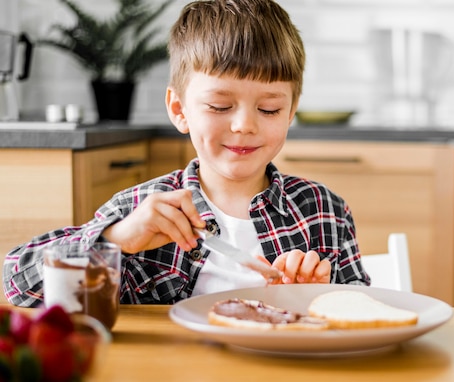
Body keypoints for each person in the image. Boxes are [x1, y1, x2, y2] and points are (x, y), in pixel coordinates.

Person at [3, 0, 369, 306]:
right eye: (219, 106)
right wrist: (115, 240)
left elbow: (361, 316)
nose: (244, 125)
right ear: (179, 110)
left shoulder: (325, 211)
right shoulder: (140, 210)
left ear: (291, 111)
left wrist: (317, 302)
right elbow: (18, 284)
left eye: (269, 109)